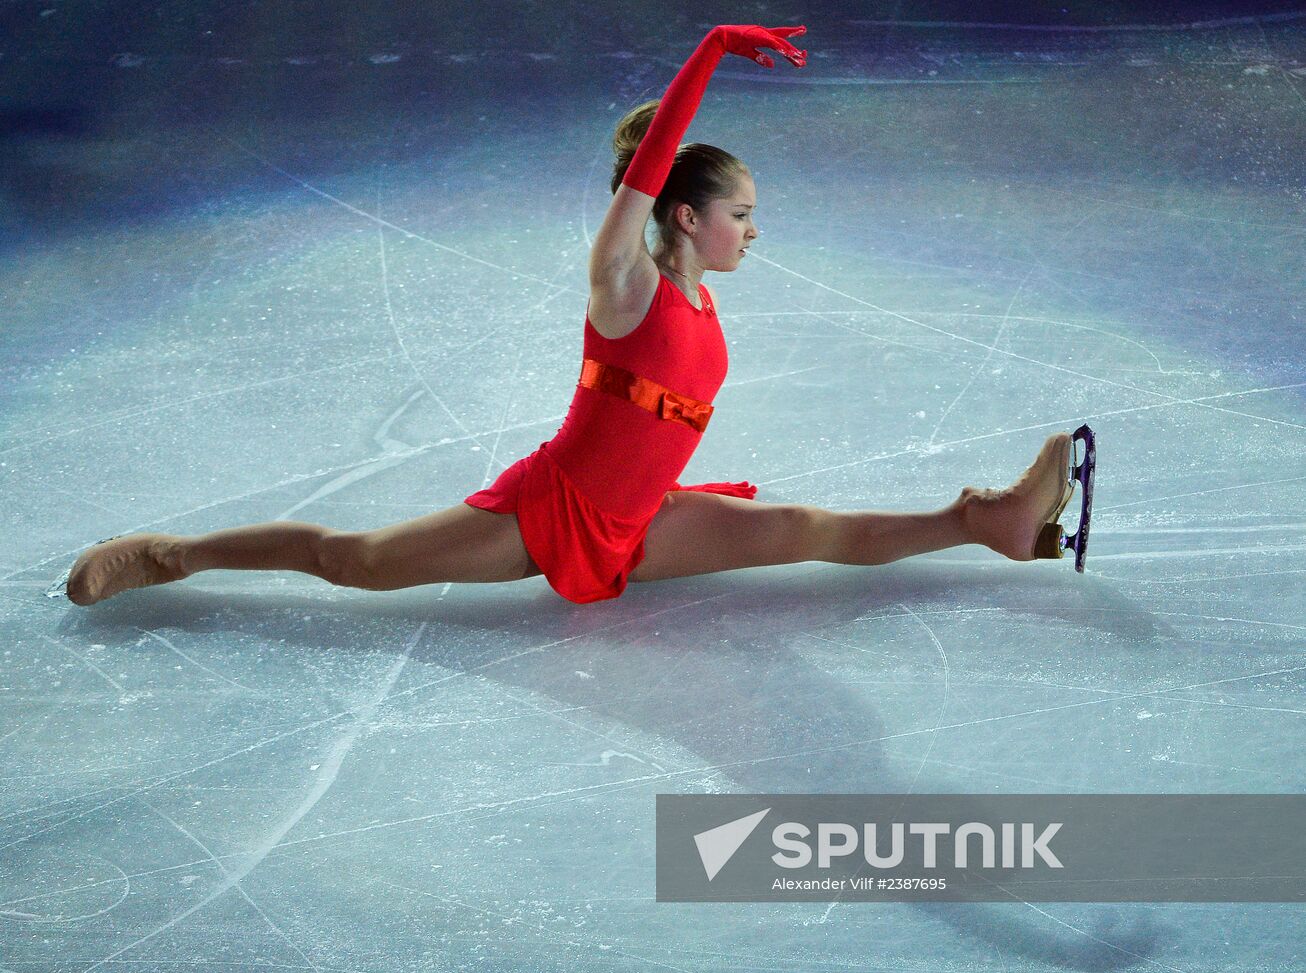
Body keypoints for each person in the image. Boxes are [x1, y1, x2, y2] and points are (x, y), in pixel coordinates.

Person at [63, 24, 1082, 609]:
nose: (752, 231)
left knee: (809, 528)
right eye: (739, 214)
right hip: (551, 510)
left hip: (644, 519)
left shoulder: (700, 299)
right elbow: (645, 174)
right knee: (354, 561)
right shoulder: (624, 282)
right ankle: (172, 554)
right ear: (684, 215)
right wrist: (711, 50)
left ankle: (984, 521)